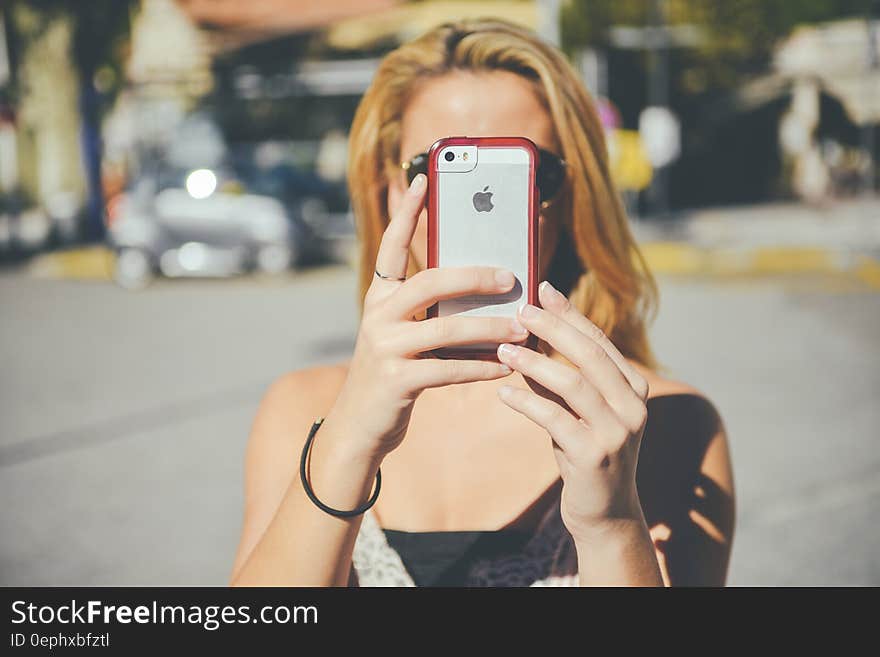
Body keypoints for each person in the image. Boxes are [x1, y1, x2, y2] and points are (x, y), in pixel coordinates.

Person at [229, 18, 735, 587]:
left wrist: (612, 525)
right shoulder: (304, 410)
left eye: (525, 172)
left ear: (572, 196)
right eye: (438, 170)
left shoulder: (656, 422)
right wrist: (348, 443)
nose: (482, 206)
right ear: (391, 191)